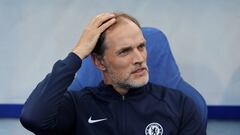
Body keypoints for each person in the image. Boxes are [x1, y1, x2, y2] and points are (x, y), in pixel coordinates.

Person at [20, 12, 206, 135]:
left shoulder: (181, 105)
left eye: (141, 47)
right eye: (124, 51)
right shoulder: (78, 105)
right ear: (100, 62)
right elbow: (33, 118)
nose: (139, 58)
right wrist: (77, 53)